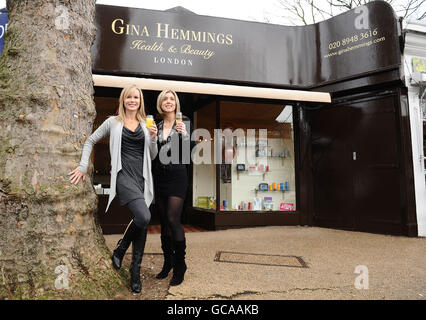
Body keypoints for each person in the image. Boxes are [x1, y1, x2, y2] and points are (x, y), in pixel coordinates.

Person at [68, 85, 158, 293]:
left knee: (142, 224)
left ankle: (135, 272)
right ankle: (121, 247)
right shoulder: (112, 122)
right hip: (124, 176)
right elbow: (91, 140)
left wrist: (153, 139)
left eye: (136, 97)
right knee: (143, 217)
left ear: (140, 101)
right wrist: (83, 166)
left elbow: (152, 156)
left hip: (142, 177)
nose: (132, 100)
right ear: (123, 100)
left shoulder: (147, 125)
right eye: (129, 97)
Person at [153, 89, 191, 286]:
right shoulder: (157, 126)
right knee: (163, 222)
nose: (168, 101)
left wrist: (185, 136)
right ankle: (167, 262)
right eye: (165, 99)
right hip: (159, 177)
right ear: (161, 104)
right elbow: (152, 155)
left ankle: (180, 265)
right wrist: (151, 139)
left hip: (177, 175)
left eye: (172, 99)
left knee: (172, 218)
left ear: (176, 103)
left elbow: (187, 155)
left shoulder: (184, 122)